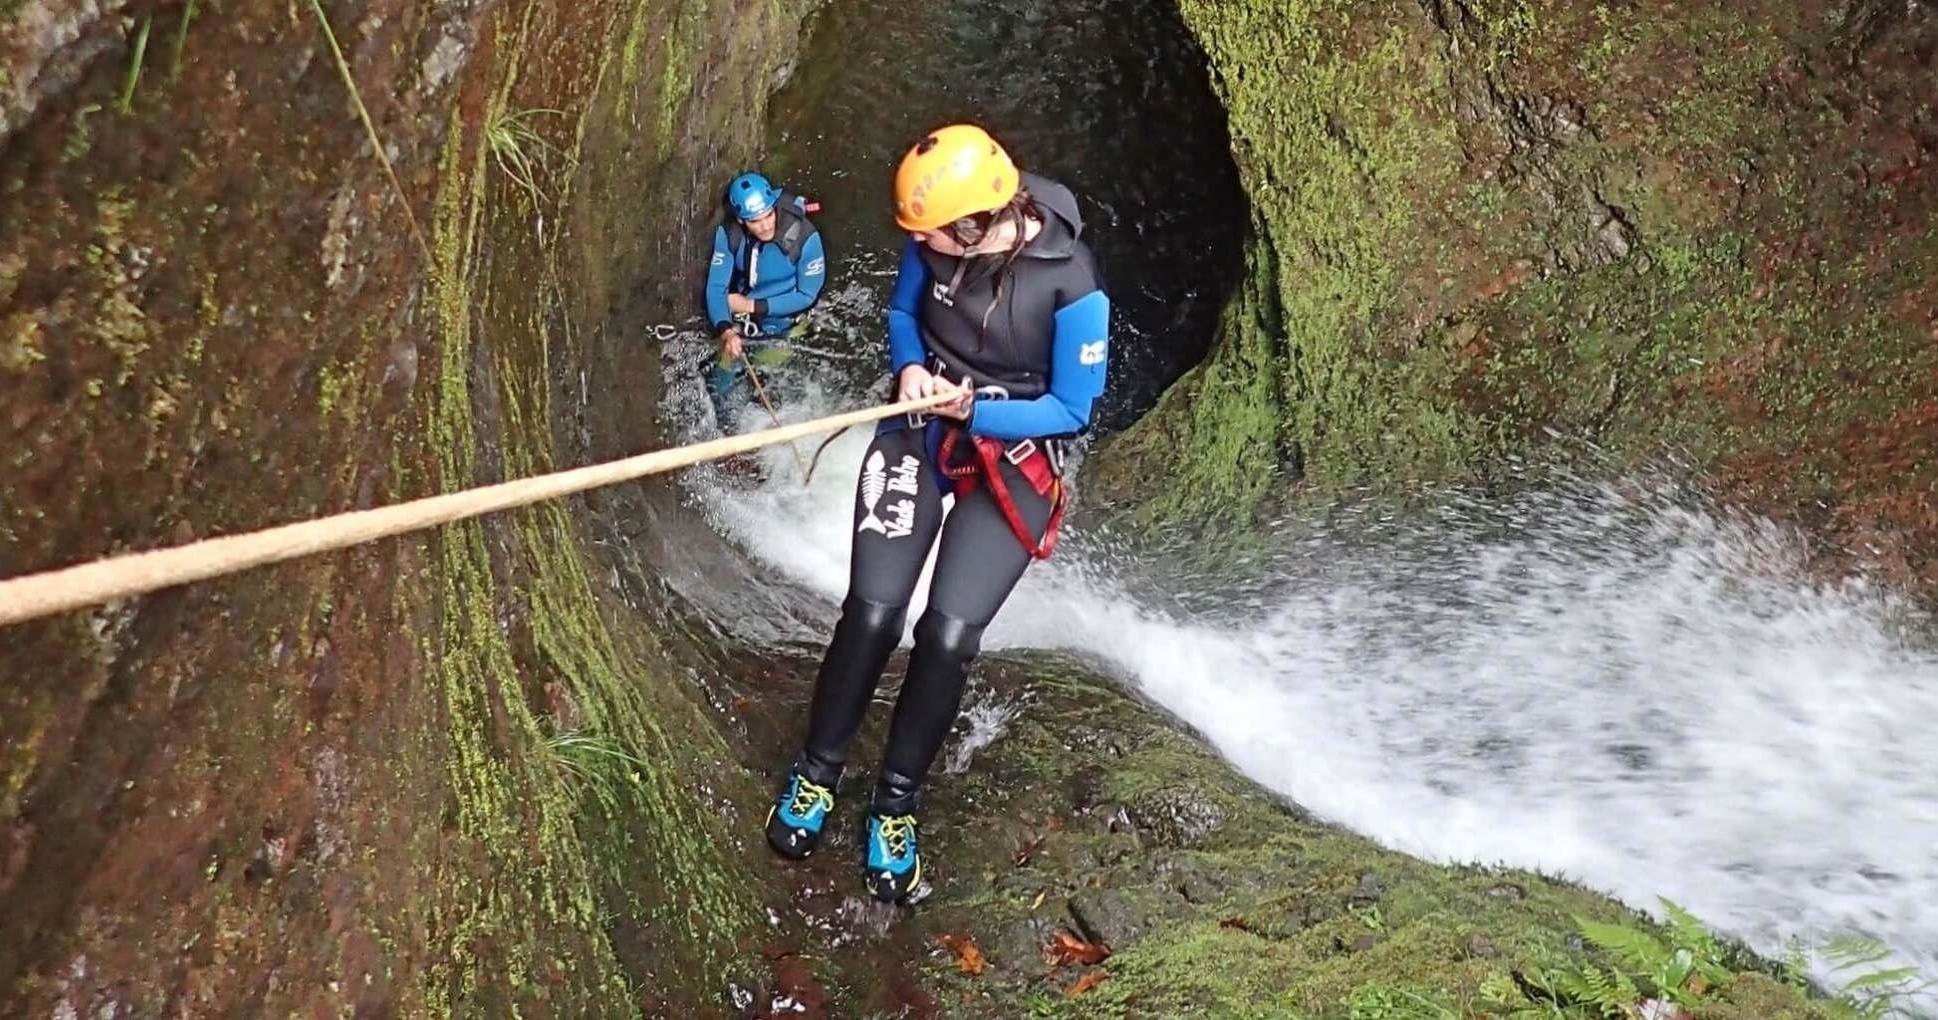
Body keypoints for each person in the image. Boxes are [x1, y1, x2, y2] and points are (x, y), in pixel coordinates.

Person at [764, 125, 1110, 902]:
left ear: (978, 224)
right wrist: (912, 369)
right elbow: (901, 315)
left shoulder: (1073, 284)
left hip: (1011, 456)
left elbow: (1072, 409)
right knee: (873, 610)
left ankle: (895, 805)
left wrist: (974, 412)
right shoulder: (934, 239)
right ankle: (817, 772)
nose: (921, 247)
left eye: (934, 237)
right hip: (920, 428)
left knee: (948, 636)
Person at [701, 171, 827, 430]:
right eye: (756, 221)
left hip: (787, 320)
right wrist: (726, 330)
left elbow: (807, 295)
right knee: (721, 379)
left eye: (769, 215)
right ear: (741, 220)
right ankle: (725, 433)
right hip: (746, 318)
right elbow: (716, 288)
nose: (766, 226)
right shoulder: (730, 235)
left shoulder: (804, 236)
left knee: (767, 374)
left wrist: (751, 306)